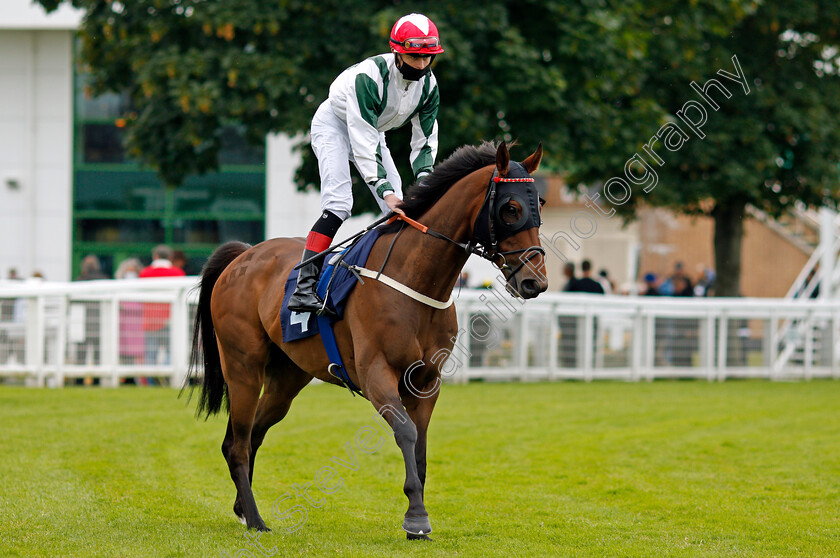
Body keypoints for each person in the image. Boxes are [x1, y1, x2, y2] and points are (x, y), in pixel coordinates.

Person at [287, 13, 444, 313]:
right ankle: (303, 286)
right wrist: (385, 189)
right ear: (398, 52)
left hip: (372, 131)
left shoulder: (429, 87)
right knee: (339, 203)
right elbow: (362, 141)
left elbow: (425, 141)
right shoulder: (369, 78)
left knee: (399, 210)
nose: (422, 65)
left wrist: (425, 186)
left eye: (428, 58)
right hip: (335, 124)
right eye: (415, 56)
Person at [139, 245, 185, 369]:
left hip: (150, 320)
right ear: (170, 257)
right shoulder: (178, 273)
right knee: (171, 351)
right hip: (171, 319)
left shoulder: (145, 273)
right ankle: (166, 378)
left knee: (151, 354)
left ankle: (151, 382)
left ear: (155, 256)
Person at [115, 258, 144, 371]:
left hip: (138, 322)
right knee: (121, 347)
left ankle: (140, 376)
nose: (131, 274)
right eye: (128, 271)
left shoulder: (142, 285)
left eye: (133, 271)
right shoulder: (118, 285)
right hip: (123, 321)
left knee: (138, 350)